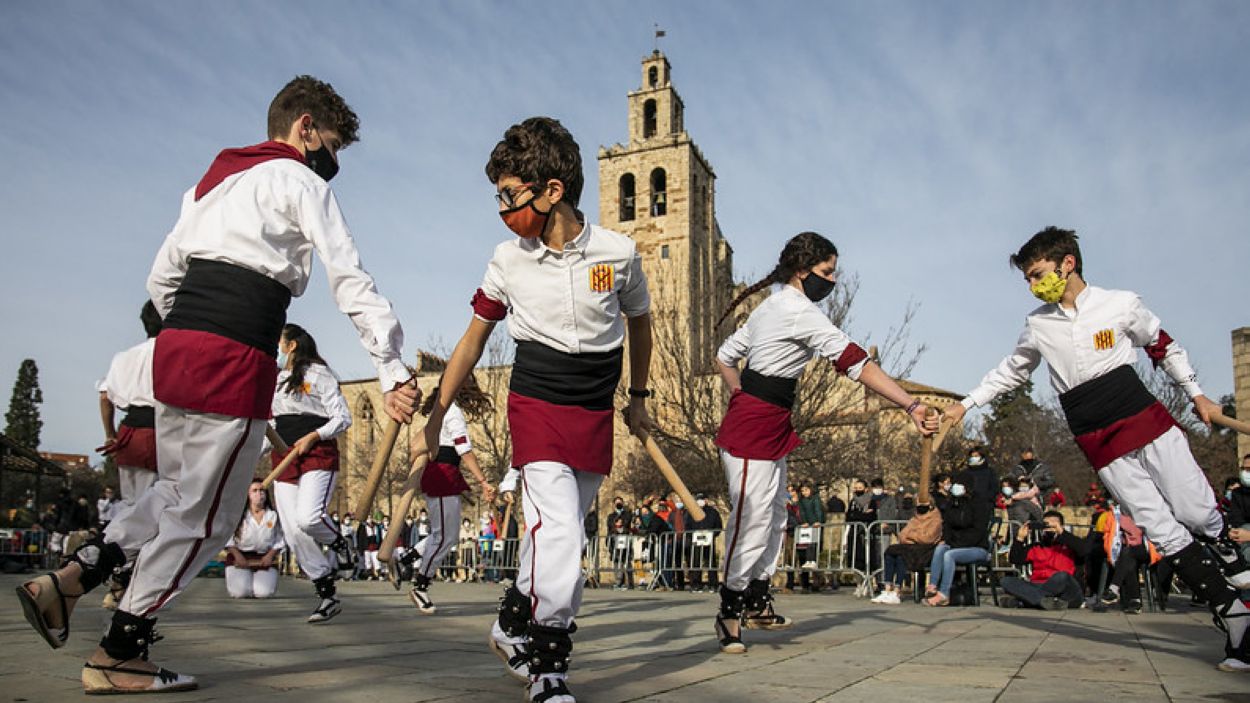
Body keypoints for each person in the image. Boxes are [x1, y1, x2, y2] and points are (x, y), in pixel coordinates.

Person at [14, 76, 419, 694]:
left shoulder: (212, 182)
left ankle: (72, 576)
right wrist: (391, 367)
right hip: (233, 352)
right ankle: (121, 651)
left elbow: (161, 277)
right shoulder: (299, 181)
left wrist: (191, 329)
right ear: (304, 127)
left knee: (176, 493)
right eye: (331, 147)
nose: (332, 164)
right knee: (209, 516)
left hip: (178, 348)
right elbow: (349, 279)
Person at [410, 116, 653, 703]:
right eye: (497, 194)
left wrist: (640, 398)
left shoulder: (617, 253)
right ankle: (548, 667)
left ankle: (511, 623)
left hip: (593, 404)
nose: (501, 207)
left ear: (552, 191)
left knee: (558, 535)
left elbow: (640, 325)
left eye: (510, 194)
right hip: (537, 400)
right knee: (562, 533)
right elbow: (472, 341)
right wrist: (436, 412)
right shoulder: (506, 260)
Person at [943, 226, 1249, 671]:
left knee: (1196, 511)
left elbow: (1162, 345)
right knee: (1161, 529)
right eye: (1027, 278)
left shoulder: (1120, 303)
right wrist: (965, 404)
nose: (1033, 285)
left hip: (1146, 421)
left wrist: (1196, 393)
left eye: (1037, 273)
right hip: (1096, 439)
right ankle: (1235, 615)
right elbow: (1012, 370)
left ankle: (1225, 548)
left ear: (1067, 263)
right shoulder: (1038, 324)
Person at [711, 231, 935, 653]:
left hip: (773, 421)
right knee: (751, 519)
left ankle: (757, 598)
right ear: (802, 271)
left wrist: (738, 390)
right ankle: (729, 610)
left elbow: (726, 354)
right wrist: (910, 404)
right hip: (751, 427)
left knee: (776, 516)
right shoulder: (795, 310)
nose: (833, 280)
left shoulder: (771, 307)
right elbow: (854, 362)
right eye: (827, 272)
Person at [268, 323, 356, 623]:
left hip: (315, 451)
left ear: (291, 345)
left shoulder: (319, 374)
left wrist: (314, 436)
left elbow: (343, 418)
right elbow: (270, 423)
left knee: (308, 517)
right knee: (293, 530)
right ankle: (326, 592)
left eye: (280, 340)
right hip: (284, 454)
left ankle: (340, 542)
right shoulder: (275, 380)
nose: (276, 345)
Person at [394, 377, 496, 614]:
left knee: (446, 536)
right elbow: (463, 447)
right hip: (442, 472)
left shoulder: (444, 410)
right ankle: (420, 585)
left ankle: (404, 562)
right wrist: (482, 481)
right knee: (443, 537)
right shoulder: (451, 410)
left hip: (444, 472)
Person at [96, 302, 163, 512]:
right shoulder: (174, 355)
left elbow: (105, 396)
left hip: (128, 433)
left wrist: (110, 434)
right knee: (152, 504)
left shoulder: (123, 357)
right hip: (157, 432)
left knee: (130, 501)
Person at [922, 476, 991, 606]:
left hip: (977, 547)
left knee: (949, 554)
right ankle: (932, 585)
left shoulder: (979, 505)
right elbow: (947, 526)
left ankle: (944, 594)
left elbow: (978, 532)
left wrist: (955, 544)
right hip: (957, 544)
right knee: (940, 549)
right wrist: (946, 540)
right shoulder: (953, 504)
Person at [999, 510, 1088, 610]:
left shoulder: (1069, 544)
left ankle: (1027, 601)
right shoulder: (1036, 547)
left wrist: (1062, 533)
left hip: (1065, 589)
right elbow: (1015, 559)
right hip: (1038, 585)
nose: (1049, 529)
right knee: (1006, 581)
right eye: (1046, 525)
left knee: (1061, 576)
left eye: (1053, 525)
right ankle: (1046, 602)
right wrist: (1020, 538)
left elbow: (1084, 550)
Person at [224, 480, 285, 600]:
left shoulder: (273, 516)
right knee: (240, 593)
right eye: (255, 490)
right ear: (248, 494)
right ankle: (245, 582)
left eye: (262, 490)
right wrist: (237, 555)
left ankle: (258, 582)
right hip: (240, 558)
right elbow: (227, 536)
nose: (259, 493)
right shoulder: (238, 515)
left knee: (264, 593)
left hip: (264, 558)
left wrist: (271, 555)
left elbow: (281, 538)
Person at [687, 493, 723, 592]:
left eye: (702, 499)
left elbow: (718, 526)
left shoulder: (713, 512)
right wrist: (692, 535)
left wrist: (712, 535)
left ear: (706, 500)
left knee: (710, 562)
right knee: (696, 562)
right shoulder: (692, 511)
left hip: (709, 540)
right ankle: (696, 584)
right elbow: (688, 526)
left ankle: (713, 584)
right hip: (696, 541)